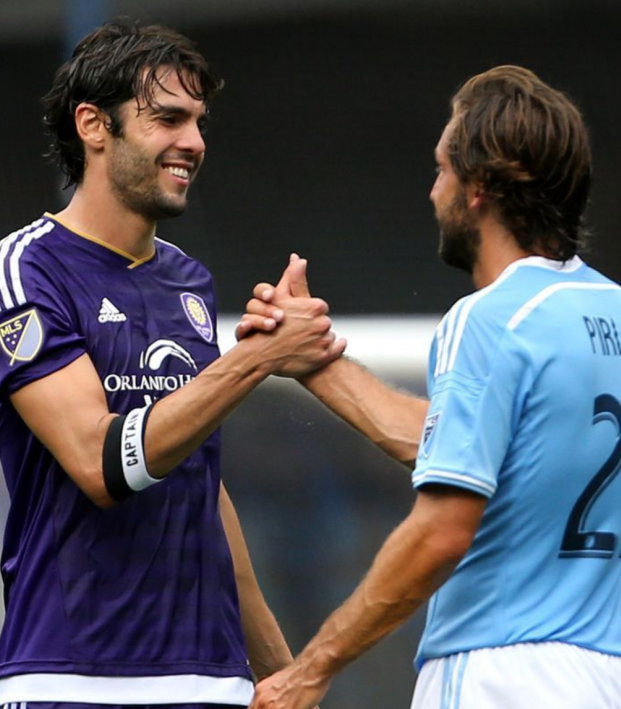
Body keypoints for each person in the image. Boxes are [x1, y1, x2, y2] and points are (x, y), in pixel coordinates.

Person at [241, 66, 621, 708]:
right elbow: (458, 445)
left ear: (478, 189)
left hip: (501, 677)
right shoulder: (607, 310)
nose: (432, 190)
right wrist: (316, 362)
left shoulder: (489, 318)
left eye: (442, 169)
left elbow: (443, 530)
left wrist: (312, 668)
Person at [0, 20, 345, 709]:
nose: (193, 141)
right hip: (71, 678)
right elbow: (101, 464)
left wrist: (280, 670)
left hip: (210, 679)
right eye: (167, 118)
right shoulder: (24, 269)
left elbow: (202, 488)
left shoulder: (188, 281)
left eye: (198, 121)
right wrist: (257, 358)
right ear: (94, 126)